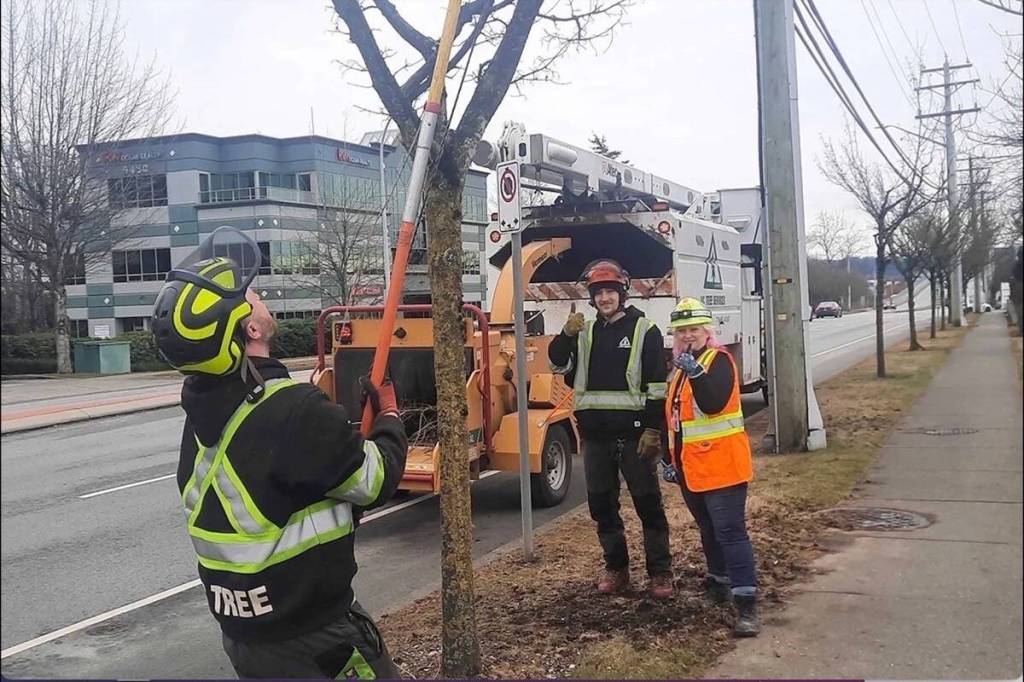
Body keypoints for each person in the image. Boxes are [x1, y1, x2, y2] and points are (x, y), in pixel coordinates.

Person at [151, 227, 408, 678]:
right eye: (250, 294)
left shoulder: (200, 420)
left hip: (247, 641)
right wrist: (389, 417)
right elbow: (375, 482)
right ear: (250, 327)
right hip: (315, 640)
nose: (259, 294)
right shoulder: (293, 409)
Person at [548, 259, 672, 598]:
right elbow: (557, 363)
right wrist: (564, 334)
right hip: (596, 438)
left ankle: (660, 573)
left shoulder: (645, 331)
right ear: (592, 298)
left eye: (610, 292)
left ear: (622, 294)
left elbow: (656, 385)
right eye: (599, 293)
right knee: (602, 507)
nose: (605, 298)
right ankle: (617, 569)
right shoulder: (584, 333)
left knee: (648, 506)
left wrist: (652, 429)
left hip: (635, 437)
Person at [664, 297, 759, 637]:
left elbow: (714, 403)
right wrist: (668, 458)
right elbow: (677, 419)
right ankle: (718, 583)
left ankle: (746, 604)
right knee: (708, 530)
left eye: (693, 329)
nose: (687, 335)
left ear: (707, 331)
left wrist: (696, 373)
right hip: (694, 469)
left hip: (724, 467)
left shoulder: (717, 361)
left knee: (730, 533)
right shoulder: (681, 367)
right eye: (681, 331)